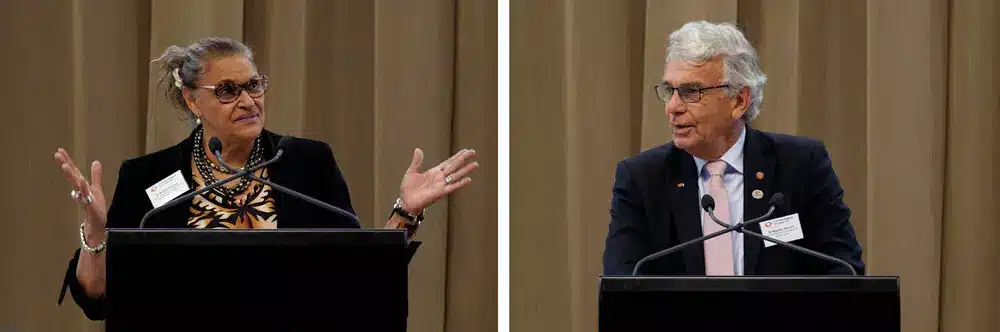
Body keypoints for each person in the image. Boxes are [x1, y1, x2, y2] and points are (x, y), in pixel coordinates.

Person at [54, 37, 479, 320]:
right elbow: (97, 299)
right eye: (227, 90)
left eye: (253, 86)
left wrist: (405, 212)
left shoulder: (306, 164)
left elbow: (356, 275)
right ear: (192, 100)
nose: (247, 101)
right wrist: (95, 232)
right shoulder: (148, 178)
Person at [603, 21, 863, 276]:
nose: (672, 107)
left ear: (739, 101)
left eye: (691, 91)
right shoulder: (642, 179)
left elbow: (844, 272)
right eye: (670, 90)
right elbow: (622, 287)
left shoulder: (801, 165)